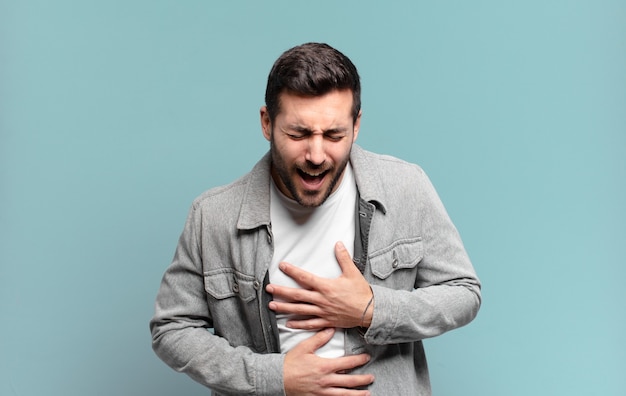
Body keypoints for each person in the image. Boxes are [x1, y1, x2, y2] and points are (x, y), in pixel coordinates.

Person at [150, 42, 481, 396]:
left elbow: (463, 293)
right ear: (267, 123)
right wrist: (273, 378)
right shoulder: (213, 216)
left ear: (356, 126)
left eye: (334, 135)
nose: (316, 154)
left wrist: (371, 308)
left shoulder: (405, 188)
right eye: (299, 134)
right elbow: (172, 328)